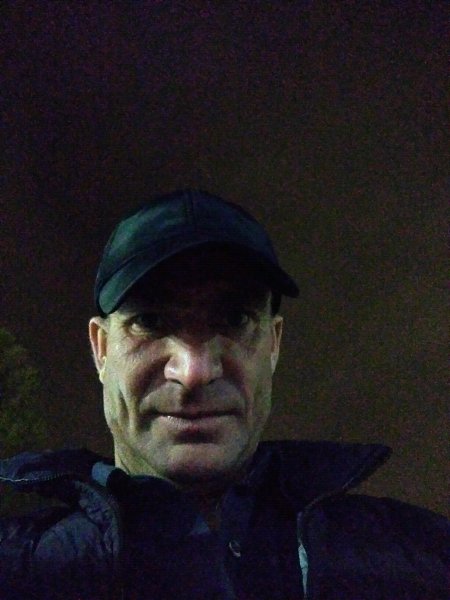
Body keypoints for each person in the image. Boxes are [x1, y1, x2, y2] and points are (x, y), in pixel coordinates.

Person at [0, 189, 448, 600]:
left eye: (234, 319)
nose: (194, 371)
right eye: (150, 322)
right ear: (101, 350)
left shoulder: (426, 565)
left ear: (273, 345)